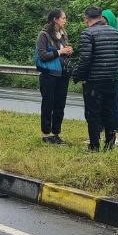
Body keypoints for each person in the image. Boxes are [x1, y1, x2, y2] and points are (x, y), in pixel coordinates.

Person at [71, 7, 118, 151]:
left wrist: (78, 76)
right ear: (100, 17)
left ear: (86, 18)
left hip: (94, 80)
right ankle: (110, 144)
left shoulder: (87, 33)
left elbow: (85, 60)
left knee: (93, 113)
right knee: (109, 111)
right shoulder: (116, 33)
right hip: (112, 79)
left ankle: (94, 146)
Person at [34, 9, 74, 144]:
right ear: (55, 19)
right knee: (48, 105)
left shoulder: (63, 34)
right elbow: (43, 56)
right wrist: (60, 51)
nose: (65, 20)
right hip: (49, 75)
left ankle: (56, 134)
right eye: (63, 18)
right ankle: (46, 134)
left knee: (59, 105)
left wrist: (68, 51)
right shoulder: (43, 35)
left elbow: (62, 53)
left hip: (62, 75)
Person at [101, 8, 118, 146]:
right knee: (100, 106)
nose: (103, 24)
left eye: (105, 21)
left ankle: (117, 136)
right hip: (101, 75)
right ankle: (98, 134)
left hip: (115, 75)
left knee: (114, 105)